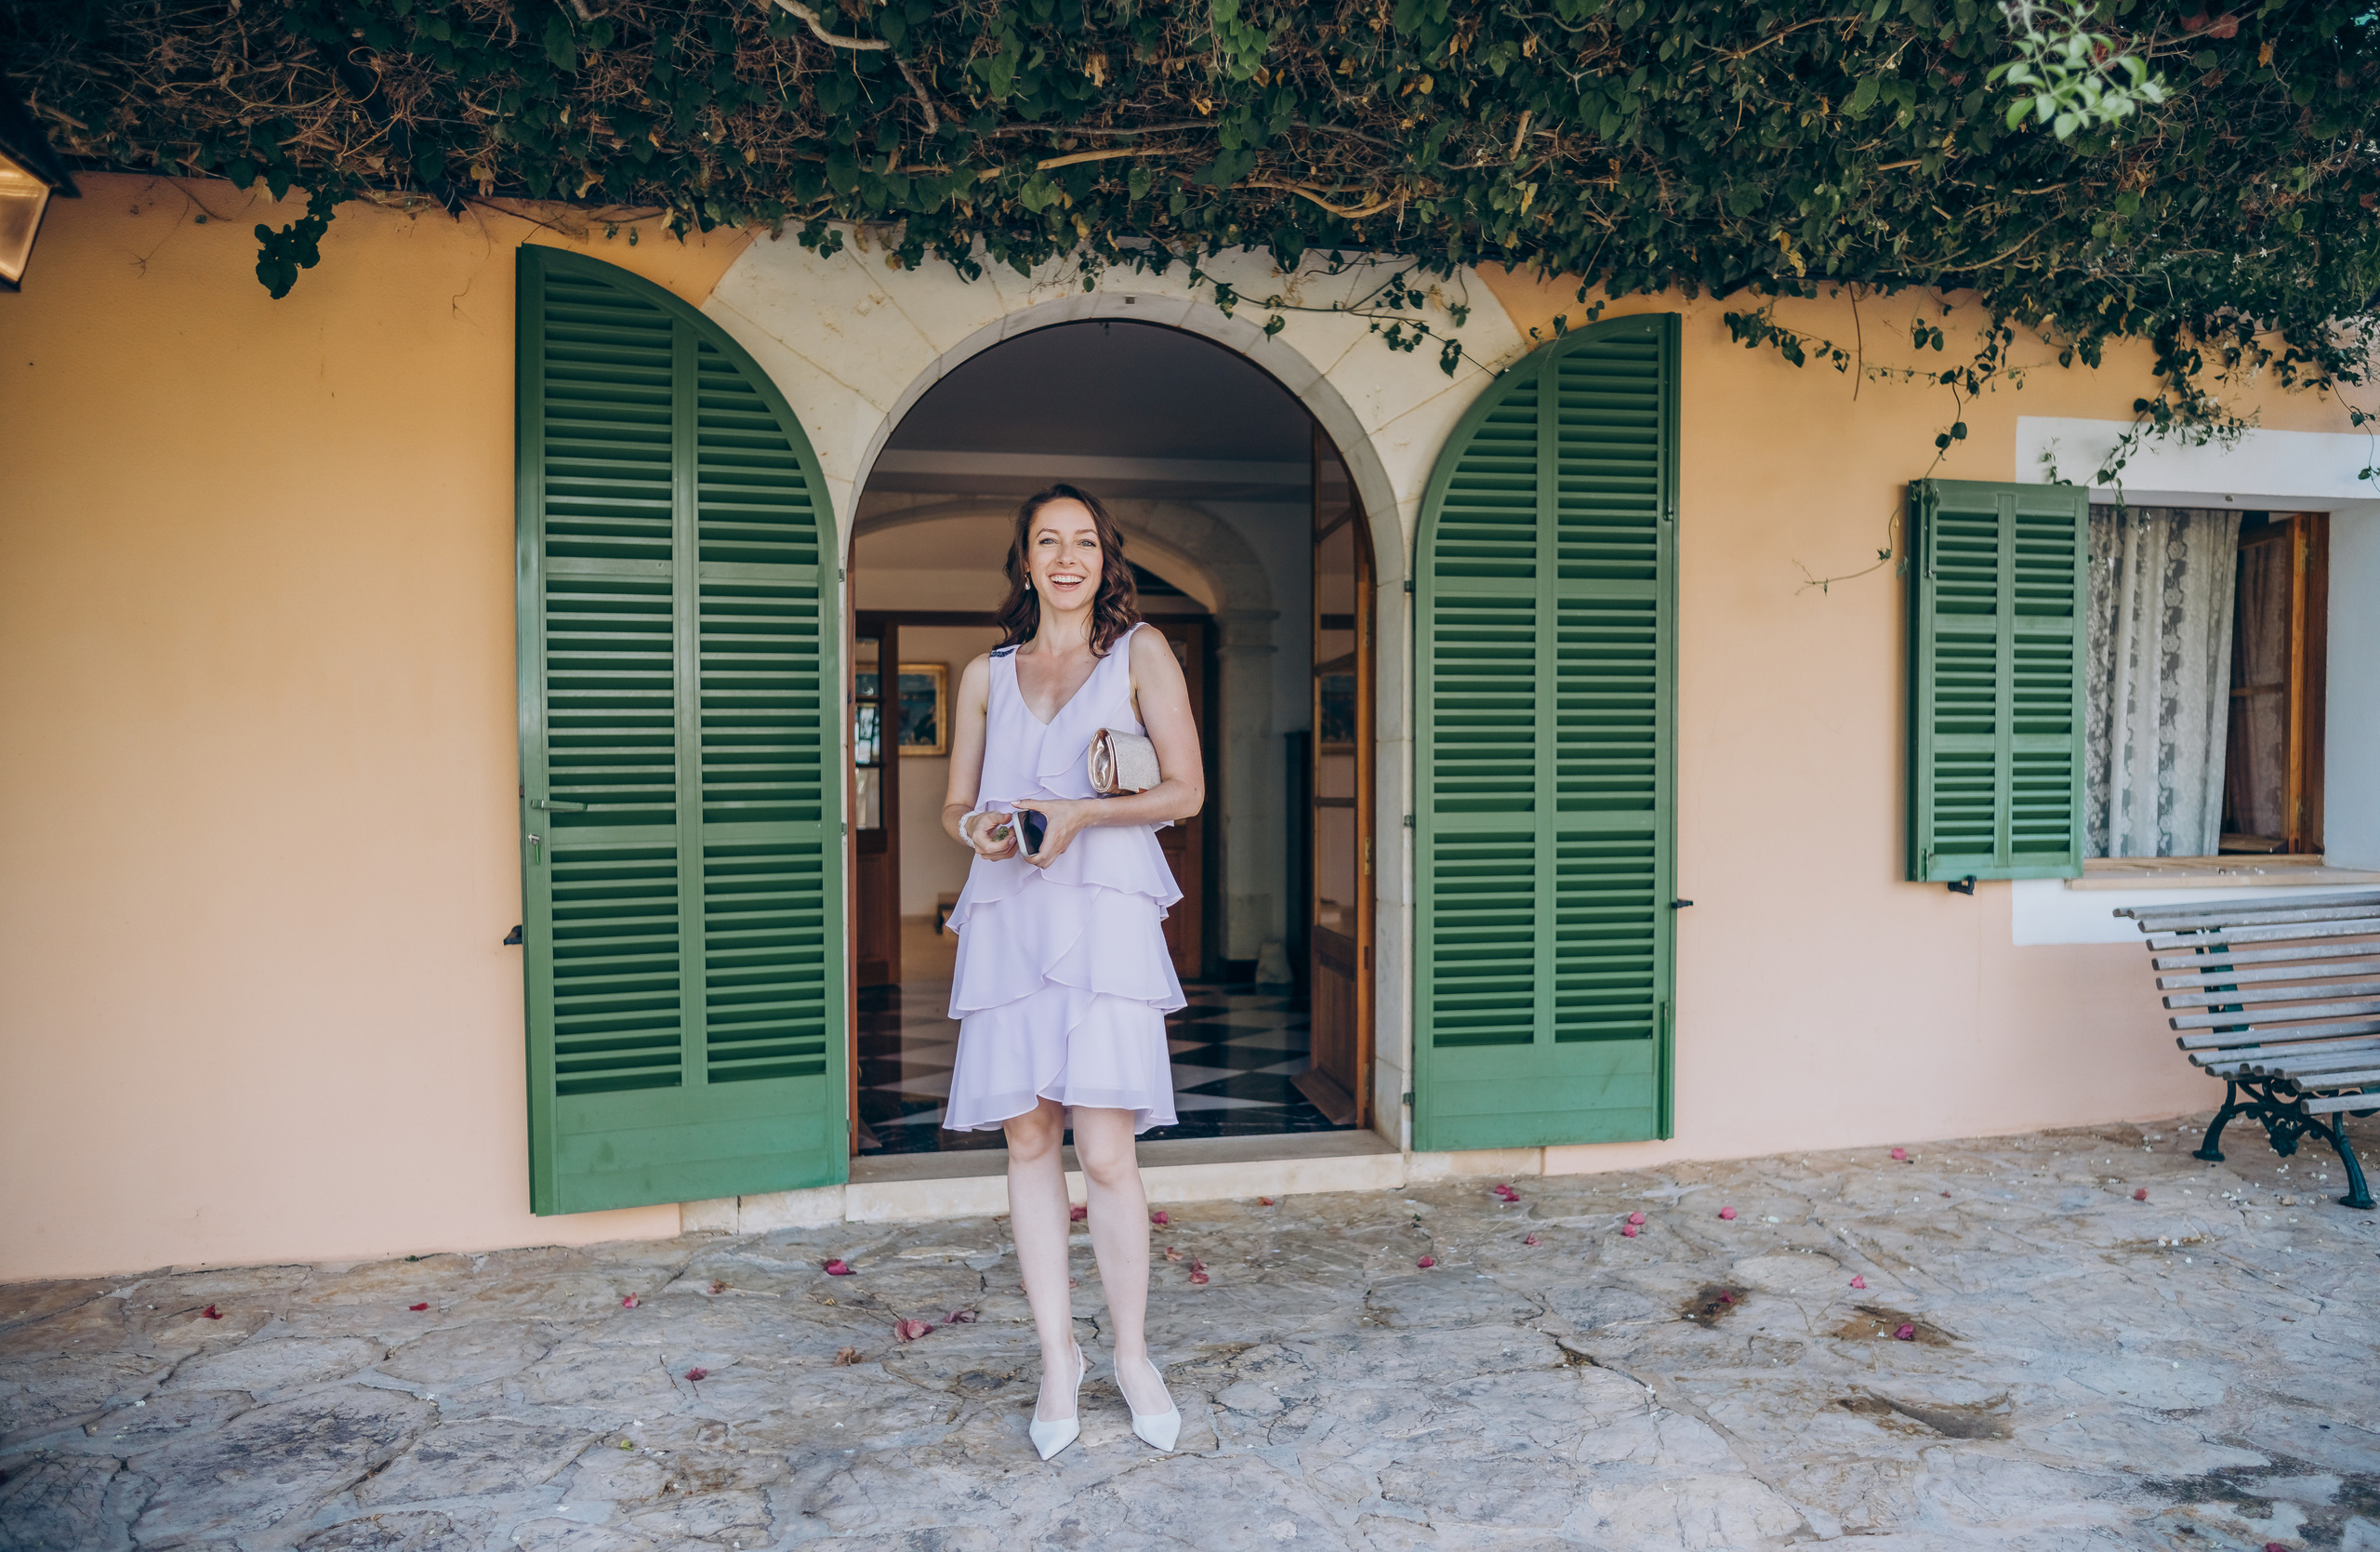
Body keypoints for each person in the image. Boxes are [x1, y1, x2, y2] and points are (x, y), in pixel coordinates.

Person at [939, 484, 1205, 1460]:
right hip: (1011, 915)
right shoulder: (985, 674)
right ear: (1024, 559)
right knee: (1026, 1138)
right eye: (1047, 541)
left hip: (1103, 919)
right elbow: (954, 804)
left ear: (1105, 557)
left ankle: (1131, 1355)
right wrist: (980, 828)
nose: (1065, 557)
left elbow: (1186, 788)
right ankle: (1060, 1357)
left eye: (1082, 541)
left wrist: (1082, 813)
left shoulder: (1140, 652)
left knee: (1106, 1151)